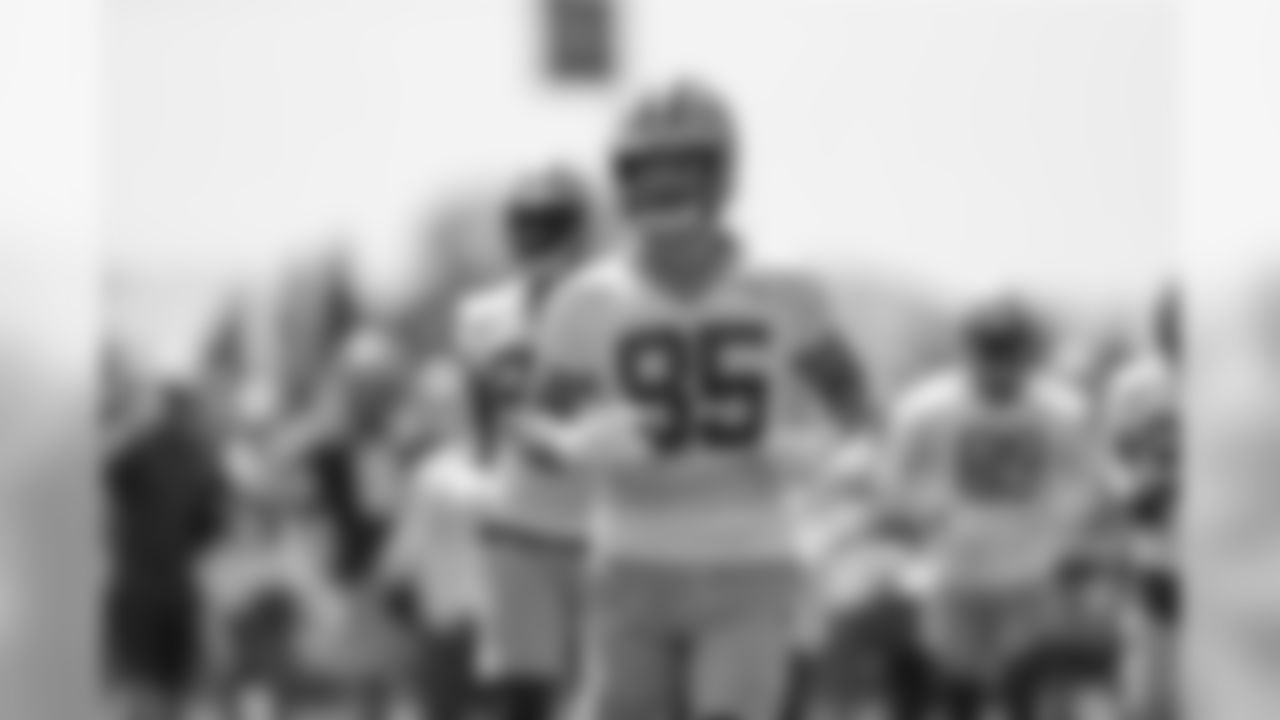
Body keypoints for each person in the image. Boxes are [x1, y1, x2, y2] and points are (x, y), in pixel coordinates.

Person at [520, 80, 868, 720]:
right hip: (631, 555)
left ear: (723, 173)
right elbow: (532, 431)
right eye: (646, 167)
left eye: (686, 164)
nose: (664, 182)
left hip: (751, 553)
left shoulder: (785, 285)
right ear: (622, 179)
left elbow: (856, 406)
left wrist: (828, 457)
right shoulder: (586, 299)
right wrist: (575, 444)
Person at [878, 294, 1117, 720]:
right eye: (989, 353)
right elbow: (896, 478)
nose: (999, 370)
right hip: (955, 566)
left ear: (1028, 356)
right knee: (958, 676)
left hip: (1031, 567)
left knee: (1026, 677)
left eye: (1010, 354)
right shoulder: (925, 408)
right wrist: (926, 511)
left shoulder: (1062, 411)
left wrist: (1062, 517)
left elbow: (1090, 478)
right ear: (967, 352)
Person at [449, 166, 598, 720]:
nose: (537, 236)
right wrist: (484, 491)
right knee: (523, 695)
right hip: (518, 523)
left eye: (551, 223)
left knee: (611, 695)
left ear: (579, 231)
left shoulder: (615, 304)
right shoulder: (479, 315)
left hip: (602, 526)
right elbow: (479, 426)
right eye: (526, 223)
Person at [104, 378, 229, 720]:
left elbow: (210, 523)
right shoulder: (198, 457)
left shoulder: (138, 450)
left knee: (151, 683)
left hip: (148, 584)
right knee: (165, 685)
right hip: (165, 584)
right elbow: (211, 526)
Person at [1102, 285, 1180, 720]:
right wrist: (1131, 488)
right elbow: (1111, 458)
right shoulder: (1134, 385)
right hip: (1157, 554)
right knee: (1150, 697)